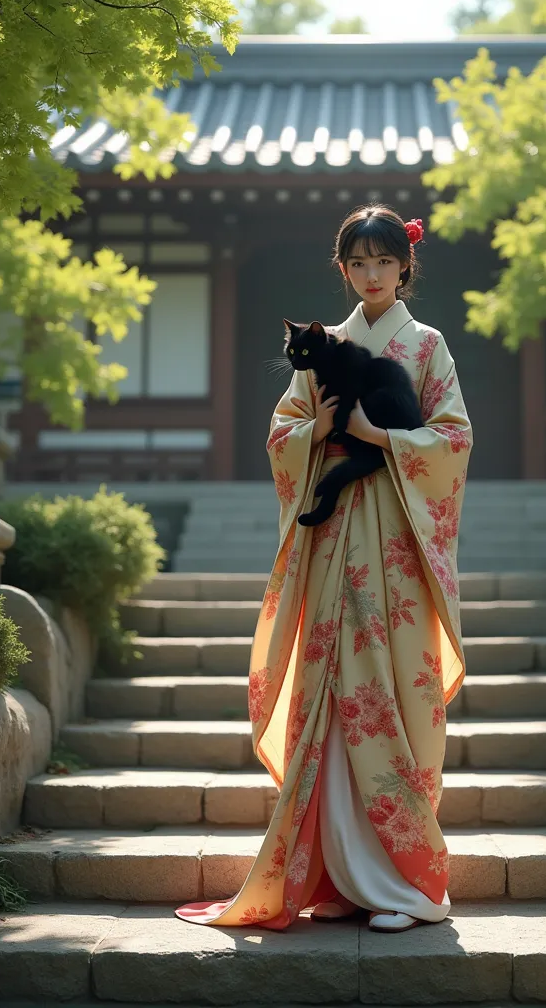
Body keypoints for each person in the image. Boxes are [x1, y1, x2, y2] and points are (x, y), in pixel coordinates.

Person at [175, 204, 473, 933]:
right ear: (342, 269)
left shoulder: (427, 345)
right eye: (358, 262)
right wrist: (323, 432)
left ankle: (407, 887)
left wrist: (379, 435)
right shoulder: (326, 344)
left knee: (393, 697)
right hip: (333, 532)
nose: (372, 274)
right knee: (329, 695)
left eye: (384, 262)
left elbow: (454, 438)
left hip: (397, 542)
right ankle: (335, 876)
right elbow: (284, 430)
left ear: (406, 267)